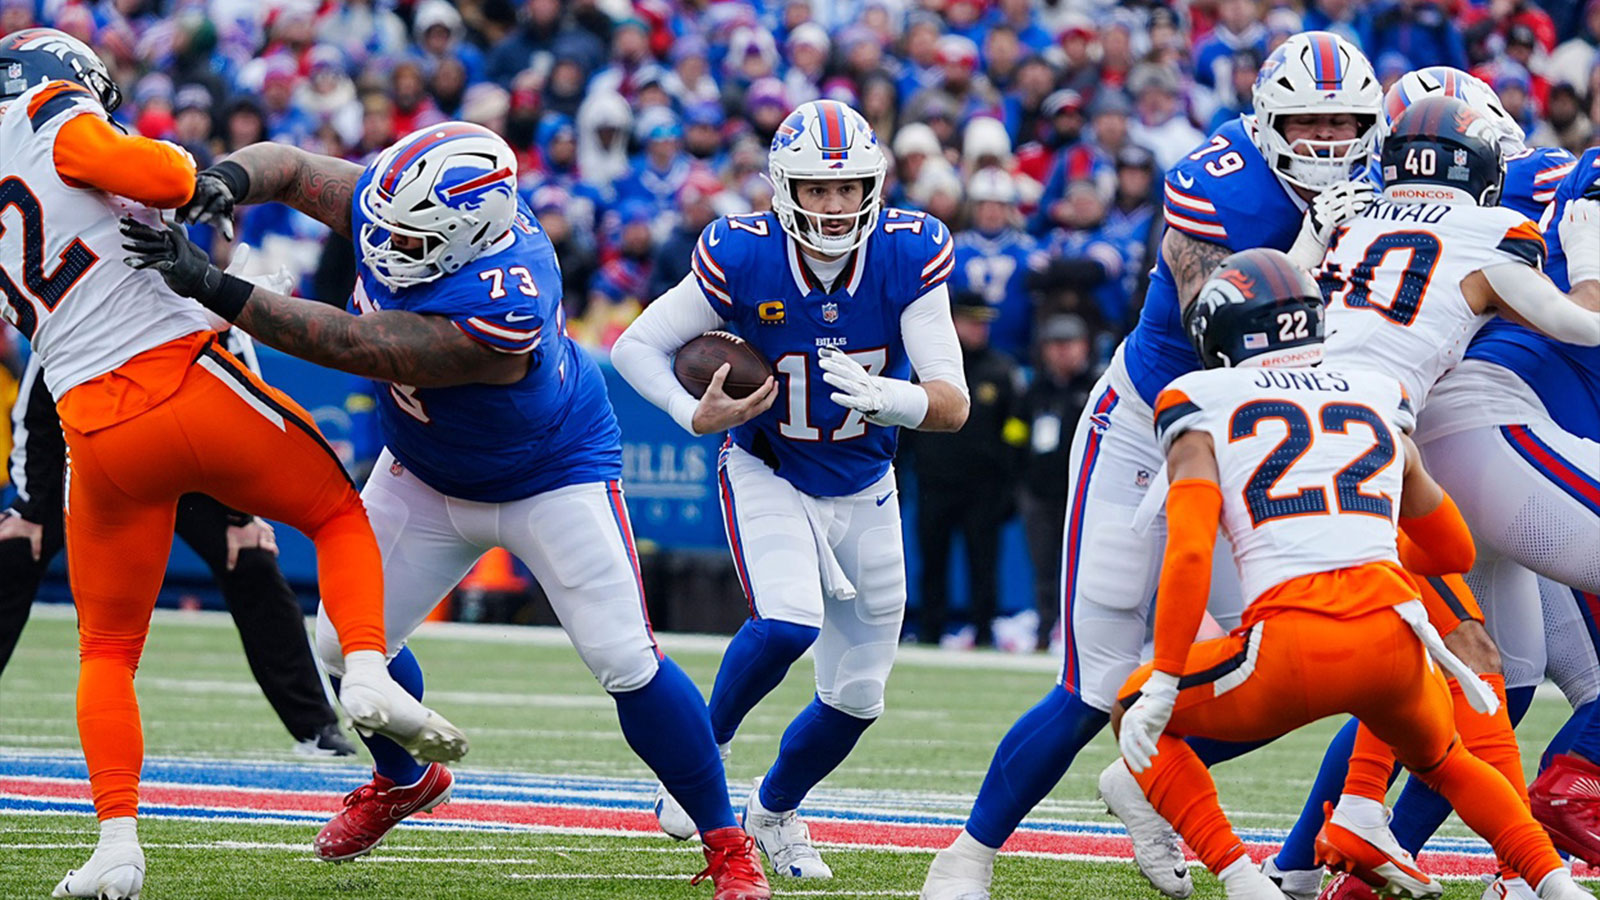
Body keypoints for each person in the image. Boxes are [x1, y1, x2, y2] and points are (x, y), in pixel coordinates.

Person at [121, 120, 769, 900]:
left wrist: (212, 284)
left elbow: (357, 345)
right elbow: (288, 167)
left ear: (469, 238)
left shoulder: (508, 299)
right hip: (425, 471)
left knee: (626, 661)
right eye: (386, 225)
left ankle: (727, 841)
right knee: (343, 645)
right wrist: (222, 180)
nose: (388, 245)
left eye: (412, 239)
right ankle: (403, 779)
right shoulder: (405, 207)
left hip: (550, 474)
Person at [922, 32, 1386, 900]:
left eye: (1344, 123)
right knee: (1093, 685)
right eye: (1309, 122)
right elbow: (1223, 328)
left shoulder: (1385, 190)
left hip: (1252, 444)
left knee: (1299, 660)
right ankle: (967, 855)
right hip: (1147, 429)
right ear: (1268, 122)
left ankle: (1145, 777)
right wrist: (1314, 250)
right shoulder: (1218, 182)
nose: (1327, 141)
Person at [0, 29, 462, 900]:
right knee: (338, 515)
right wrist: (177, 166)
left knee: (106, 650)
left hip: (92, 428)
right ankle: (367, 673)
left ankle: (116, 843)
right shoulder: (50, 115)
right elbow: (160, 174)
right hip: (178, 377)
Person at [1112, 246, 1594, 900]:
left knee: (1134, 706)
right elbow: (1453, 549)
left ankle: (1241, 876)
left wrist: (1168, 675)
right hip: (1394, 642)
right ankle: (1552, 883)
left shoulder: (1197, 399)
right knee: (1448, 761)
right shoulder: (1376, 393)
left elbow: (1191, 553)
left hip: (1288, 643)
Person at [611, 99, 969, 880]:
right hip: (768, 465)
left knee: (858, 698)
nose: (834, 206)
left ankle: (773, 812)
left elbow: (952, 401)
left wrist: (891, 397)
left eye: (847, 188)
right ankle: (700, 756)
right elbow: (637, 345)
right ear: (785, 188)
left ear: (873, 186)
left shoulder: (908, 251)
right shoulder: (744, 253)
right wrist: (690, 413)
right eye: (817, 189)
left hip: (867, 483)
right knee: (786, 623)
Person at [1259, 72, 1591, 900]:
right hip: (1418, 440)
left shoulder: (1354, 217)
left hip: (1336, 437)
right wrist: (1585, 264)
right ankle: (1520, 826)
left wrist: (1311, 232)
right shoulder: (1511, 211)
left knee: (1486, 670)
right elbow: (1577, 319)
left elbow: (1267, 306)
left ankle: (1360, 859)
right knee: (1435, 658)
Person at [0, 334, 356, 759]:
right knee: (18, 547)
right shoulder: (75, 311)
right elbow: (37, 405)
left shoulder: (200, 310)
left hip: (179, 449)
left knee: (250, 559)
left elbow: (242, 408)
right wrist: (31, 506)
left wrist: (240, 517)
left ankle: (317, 726)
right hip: (94, 453)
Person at [908, 292, 1024, 648]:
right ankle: (930, 631)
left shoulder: (1001, 370)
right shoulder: (929, 370)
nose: (979, 330)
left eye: (983, 323)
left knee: (983, 563)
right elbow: (906, 428)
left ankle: (984, 632)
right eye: (972, 322)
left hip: (983, 487)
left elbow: (1015, 429)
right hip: (934, 483)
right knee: (933, 561)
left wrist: (1009, 483)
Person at [1018, 315, 1096, 651]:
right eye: (1055, 344)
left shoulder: (1096, 388)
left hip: (1083, 495)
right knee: (1044, 568)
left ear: (1084, 347)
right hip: (1040, 493)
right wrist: (1021, 482)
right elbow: (1016, 434)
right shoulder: (1035, 390)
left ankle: (1080, 636)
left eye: (1069, 343)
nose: (1062, 351)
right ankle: (1044, 631)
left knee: (1084, 569)